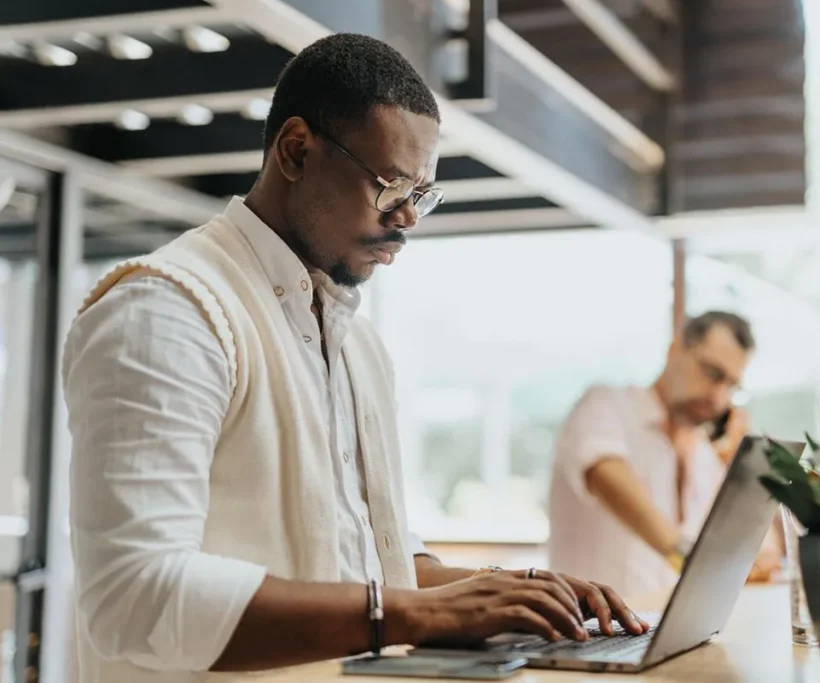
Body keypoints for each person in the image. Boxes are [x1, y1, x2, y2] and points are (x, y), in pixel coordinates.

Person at [62, 33, 646, 683]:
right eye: (391, 184)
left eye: (421, 194)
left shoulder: (357, 343)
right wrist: (409, 614)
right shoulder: (166, 309)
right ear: (296, 151)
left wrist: (510, 590)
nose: (408, 218)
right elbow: (135, 598)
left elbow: (377, 563)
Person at [547, 311, 783, 597]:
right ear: (675, 349)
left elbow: (766, 552)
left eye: (731, 385)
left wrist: (739, 466)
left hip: (659, 634)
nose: (718, 397)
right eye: (712, 373)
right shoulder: (606, 406)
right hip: (587, 631)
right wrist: (688, 559)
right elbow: (605, 476)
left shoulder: (706, 455)